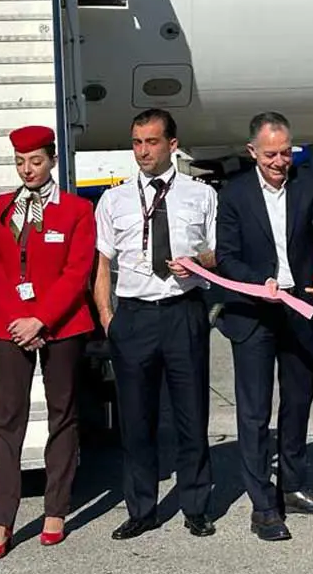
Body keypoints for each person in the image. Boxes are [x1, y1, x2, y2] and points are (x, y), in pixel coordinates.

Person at [214, 112, 313, 541]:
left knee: (298, 401)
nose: (281, 161)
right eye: (271, 154)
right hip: (254, 310)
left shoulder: (308, 183)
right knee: (254, 410)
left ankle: (294, 484)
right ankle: (263, 505)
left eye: (286, 152)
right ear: (252, 152)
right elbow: (225, 256)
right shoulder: (235, 194)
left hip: (299, 306)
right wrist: (254, 282)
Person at [93, 109, 219, 541]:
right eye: (136, 143)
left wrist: (198, 263)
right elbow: (103, 264)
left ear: (172, 144)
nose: (143, 151)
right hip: (134, 316)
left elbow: (217, 256)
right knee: (136, 419)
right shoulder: (115, 200)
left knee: (191, 415)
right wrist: (108, 318)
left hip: (183, 310)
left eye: (151, 142)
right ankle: (141, 508)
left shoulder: (200, 195)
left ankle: (196, 506)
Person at [0, 126, 96, 561]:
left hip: (61, 325)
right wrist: (18, 319)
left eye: (36, 161)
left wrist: (41, 318)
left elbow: (76, 271)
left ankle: (55, 509)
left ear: (52, 161)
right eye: (20, 162)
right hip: (9, 325)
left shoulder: (77, 210)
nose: (28, 169)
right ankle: (0, 519)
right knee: (8, 420)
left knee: (62, 413)